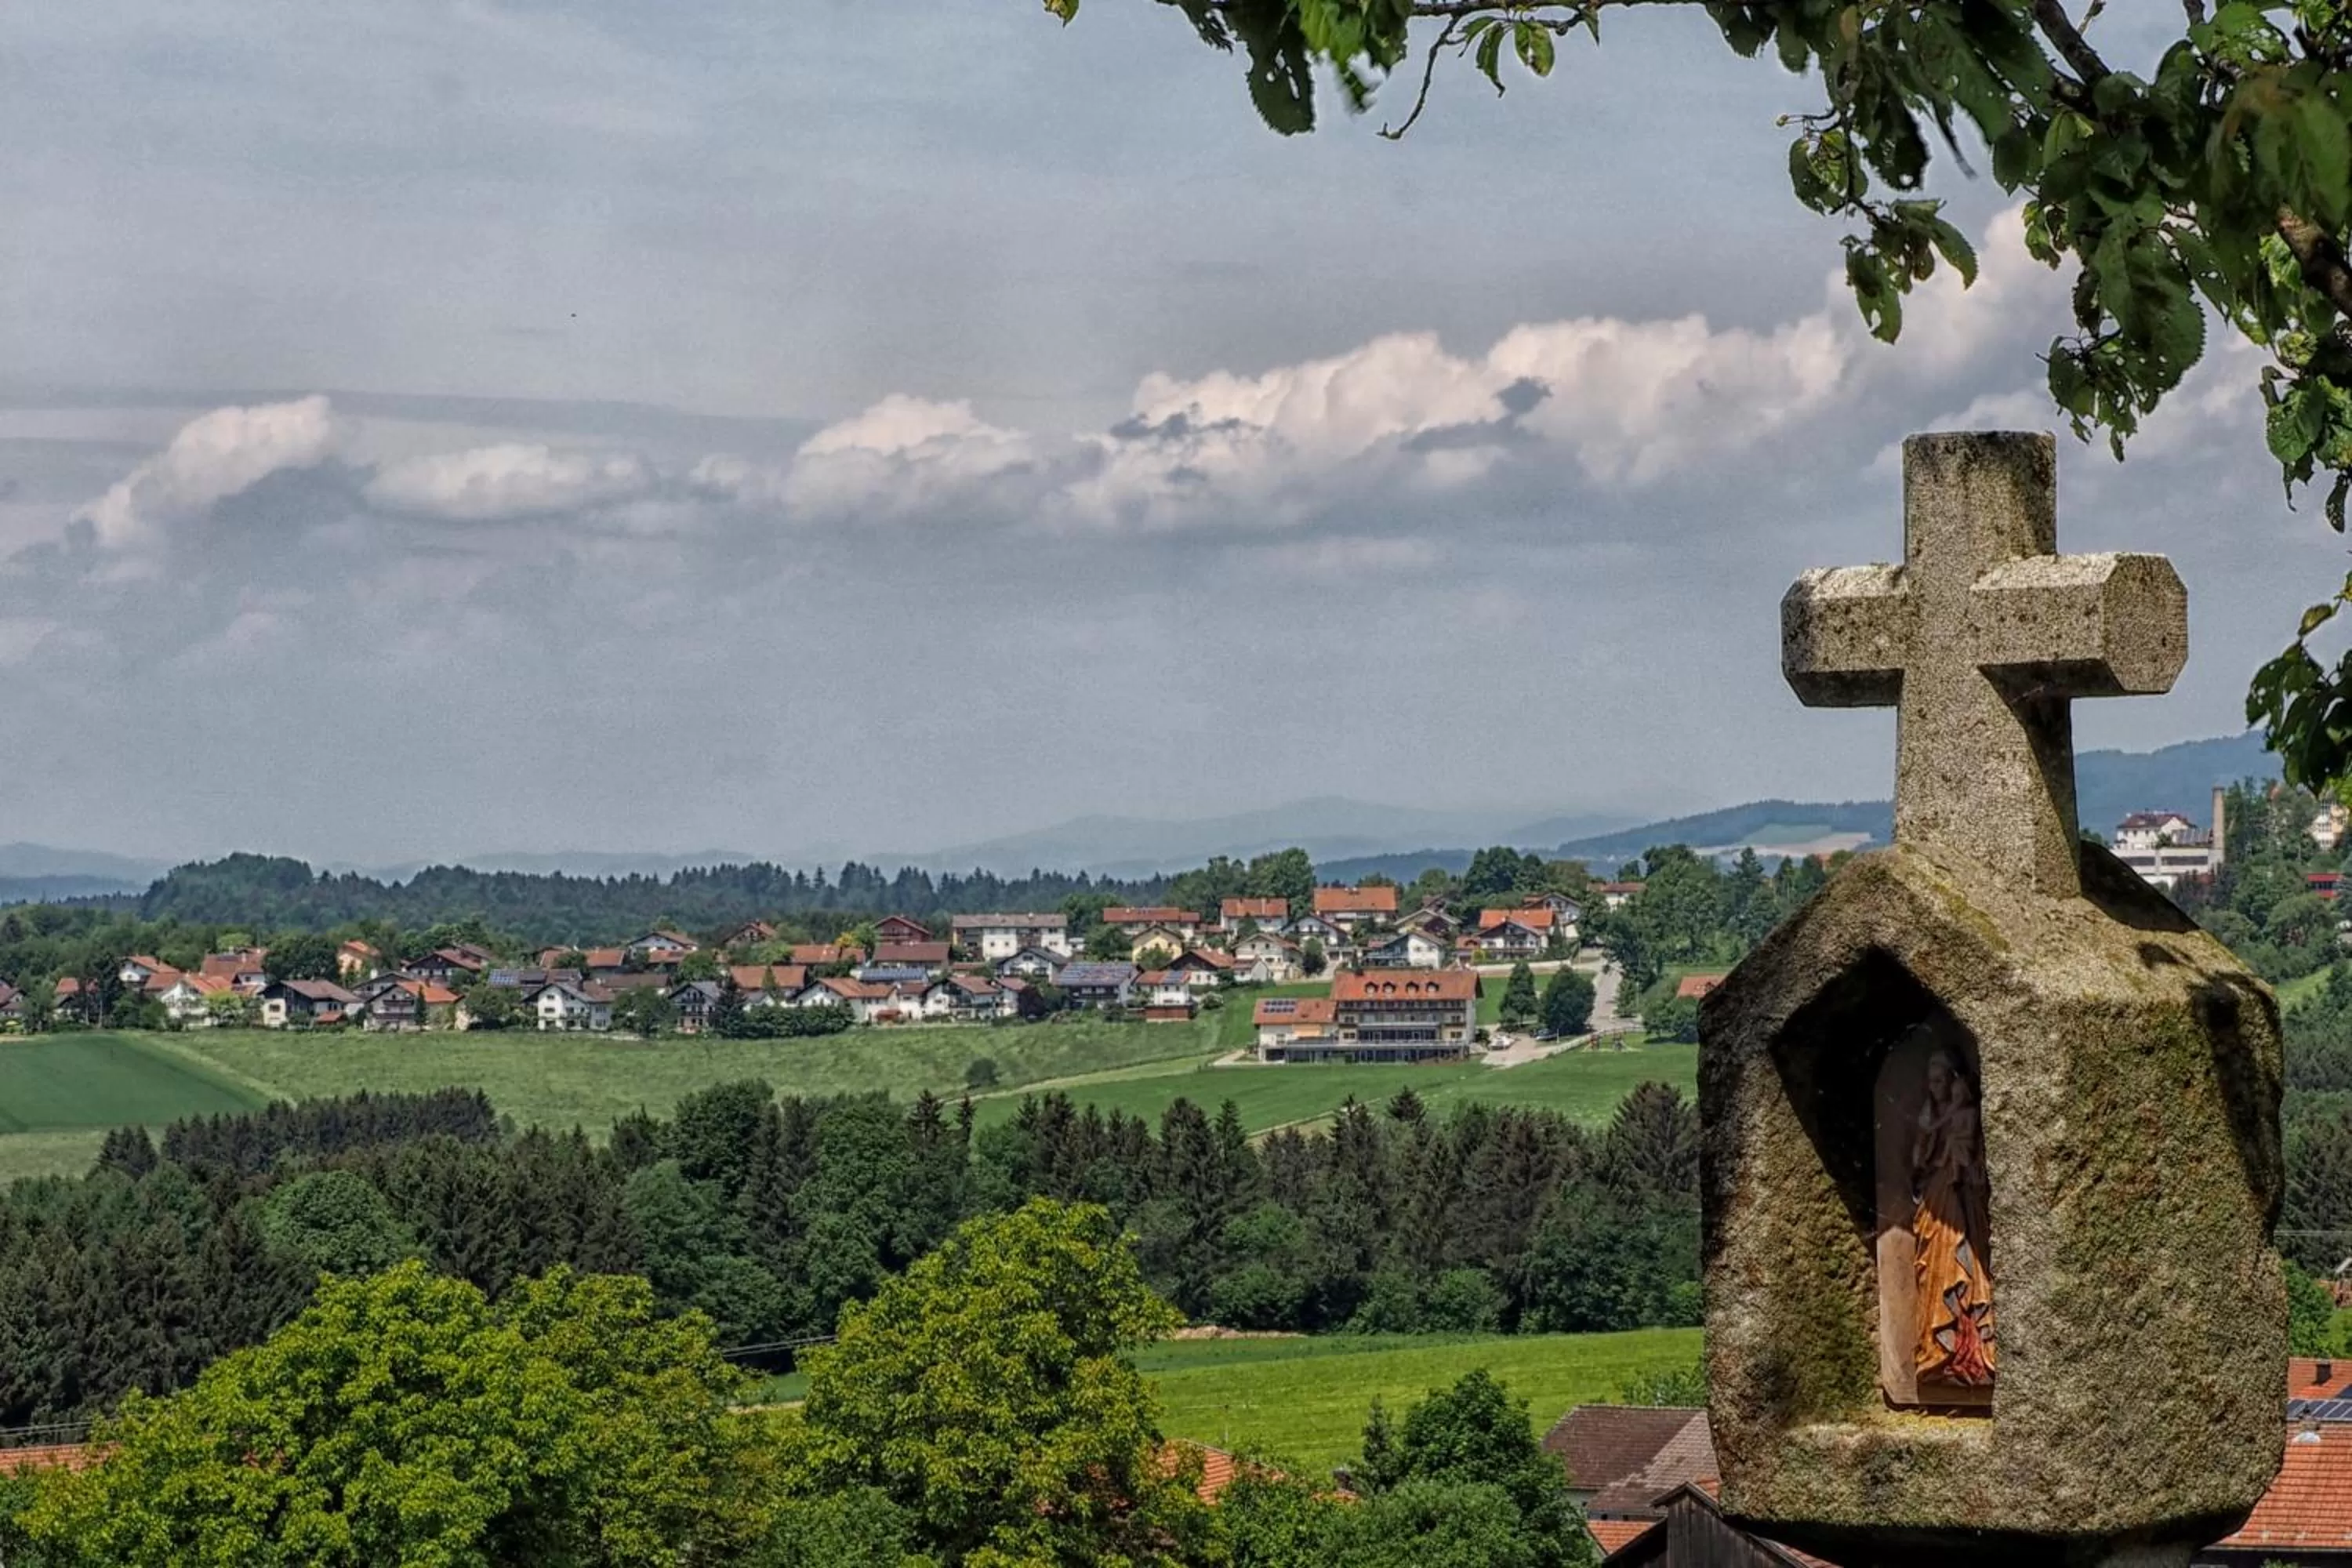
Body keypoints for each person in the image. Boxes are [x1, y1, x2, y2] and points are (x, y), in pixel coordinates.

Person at [1911, 1047, 1994, 1387]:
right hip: (1937, 1195)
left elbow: (1971, 1155)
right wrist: (1928, 1136)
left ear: (1954, 1081)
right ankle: (1937, 1351)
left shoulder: (1966, 1115)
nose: (1935, 1087)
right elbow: (1918, 1160)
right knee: (1935, 1265)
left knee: (1966, 1267)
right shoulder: (1930, 1116)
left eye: (1940, 1080)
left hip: (1960, 1195)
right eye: (1931, 1081)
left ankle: (1971, 1352)